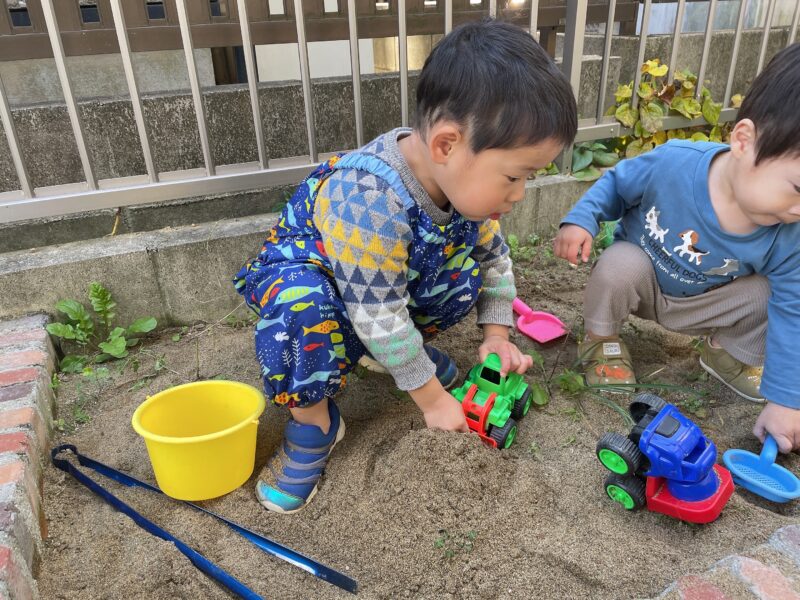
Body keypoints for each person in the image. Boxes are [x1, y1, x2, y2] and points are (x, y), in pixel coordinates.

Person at [233, 18, 577, 513]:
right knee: (300, 315)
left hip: (377, 294)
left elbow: (494, 257)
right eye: (514, 177)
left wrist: (497, 336)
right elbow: (377, 312)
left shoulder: (461, 188)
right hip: (316, 283)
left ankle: (384, 356)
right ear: (447, 144)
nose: (520, 195)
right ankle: (315, 425)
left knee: (464, 276)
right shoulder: (370, 198)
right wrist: (434, 401)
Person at [554, 43, 800, 453]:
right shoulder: (674, 164)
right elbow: (616, 184)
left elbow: (793, 311)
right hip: (645, 280)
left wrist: (787, 399)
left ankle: (723, 353)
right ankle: (601, 339)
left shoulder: (789, 234)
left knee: (770, 293)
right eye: (797, 189)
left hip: (709, 303)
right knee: (618, 265)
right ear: (744, 141)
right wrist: (582, 218)